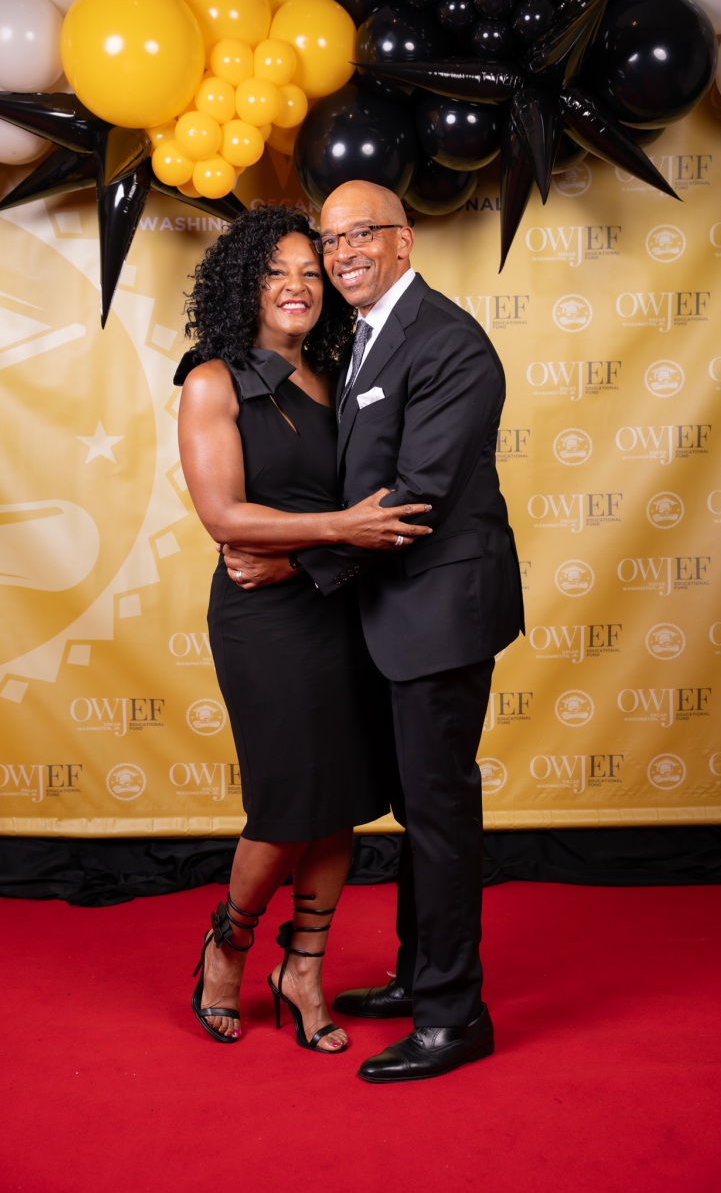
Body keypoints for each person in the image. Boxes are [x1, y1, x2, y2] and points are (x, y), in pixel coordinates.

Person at [222, 181, 525, 1082]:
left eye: (364, 233)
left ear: (405, 240)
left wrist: (292, 564)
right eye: (332, 238)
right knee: (415, 809)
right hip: (387, 612)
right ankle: (417, 976)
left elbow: (416, 495)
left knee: (439, 813)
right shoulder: (360, 335)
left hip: (439, 612)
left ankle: (453, 1015)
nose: (344, 252)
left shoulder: (448, 341)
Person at [176, 205, 432, 1053]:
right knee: (287, 803)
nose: (296, 287)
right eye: (275, 272)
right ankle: (229, 943)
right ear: (243, 285)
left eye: (310, 273)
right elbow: (225, 516)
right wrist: (340, 528)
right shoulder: (212, 381)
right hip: (261, 619)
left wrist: (319, 547)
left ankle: (305, 970)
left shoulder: (341, 370)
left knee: (341, 801)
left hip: (340, 603)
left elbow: (383, 495)